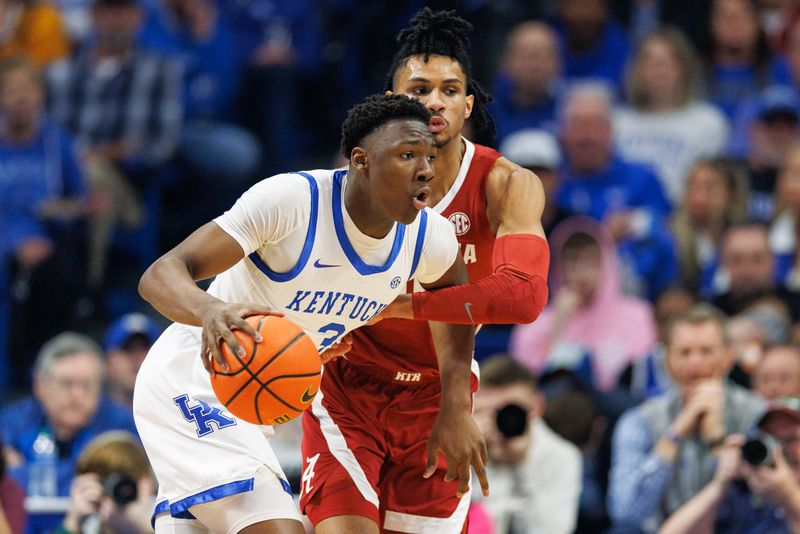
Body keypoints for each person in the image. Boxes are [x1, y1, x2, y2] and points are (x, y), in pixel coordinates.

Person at [133, 93, 480, 533]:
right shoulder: (293, 202)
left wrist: (455, 406)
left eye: (430, 157)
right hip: (194, 380)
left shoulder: (430, 237)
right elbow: (159, 274)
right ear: (361, 160)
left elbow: (456, 302)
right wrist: (210, 311)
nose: (425, 170)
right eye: (407, 154)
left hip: (255, 406)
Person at [300, 8, 548, 534]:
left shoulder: (507, 185)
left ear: (468, 103)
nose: (434, 100)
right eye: (418, 89)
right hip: (351, 388)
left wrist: (411, 307)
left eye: (450, 89)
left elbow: (525, 298)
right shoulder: (352, 184)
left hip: (440, 394)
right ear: (391, 102)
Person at [607, 304, 766, 532]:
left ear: (728, 356)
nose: (695, 363)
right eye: (684, 352)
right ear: (667, 360)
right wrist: (674, 434)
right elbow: (625, 512)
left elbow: (760, 507)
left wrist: (717, 441)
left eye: (706, 351)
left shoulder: (757, 414)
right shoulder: (639, 421)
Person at [0, 332, 137, 531]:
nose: (76, 395)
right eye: (66, 384)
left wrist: (24, 471)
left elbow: (133, 479)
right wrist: (87, 474)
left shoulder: (121, 423)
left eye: (87, 385)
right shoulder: (14, 421)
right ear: (39, 384)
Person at [510, 216, 657, 392]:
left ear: (607, 262)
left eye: (591, 260)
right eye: (573, 261)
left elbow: (638, 379)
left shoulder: (637, 314)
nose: (582, 271)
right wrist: (559, 325)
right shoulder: (532, 324)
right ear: (559, 266)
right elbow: (528, 385)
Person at [473, 354, 581, 534]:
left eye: (510, 410)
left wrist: (521, 468)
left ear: (537, 406)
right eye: (487, 410)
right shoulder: (462, 444)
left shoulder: (561, 456)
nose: (499, 419)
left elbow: (552, 530)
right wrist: (466, 453)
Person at [660, 400, 800, 533]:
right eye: (770, 440)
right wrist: (720, 483)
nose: (779, 449)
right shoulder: (741, 492)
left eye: (791, 439)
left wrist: (788, 495)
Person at [58, 431, 155, 534]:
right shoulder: (88, 527)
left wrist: (144, 527)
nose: (115, 493)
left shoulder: (166, 520)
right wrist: (73, 523)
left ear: (146, 485)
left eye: (123, 484)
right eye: (105, 483)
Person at [103, 312, 162, 409]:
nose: (137, 357)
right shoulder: (89, 416)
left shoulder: (177, 413)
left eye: (146, 349)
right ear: (108, 363)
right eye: (127, 349)